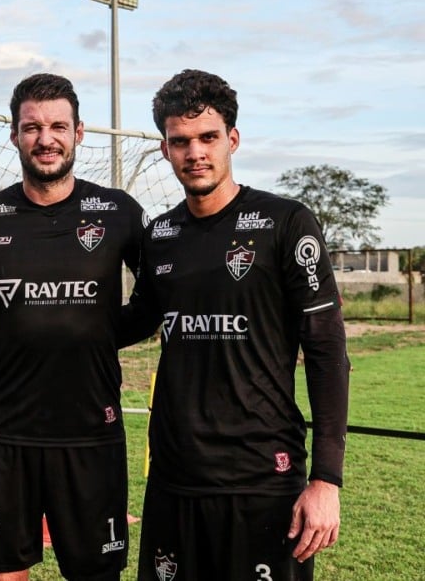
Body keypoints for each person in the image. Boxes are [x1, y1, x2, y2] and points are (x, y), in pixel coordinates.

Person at [123, 69, 350, 580]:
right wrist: (26, 325)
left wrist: (326, 480)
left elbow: (328, 352)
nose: (195, 153)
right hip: (175, 478)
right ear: (164, 149)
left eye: (208, 137)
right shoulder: (160, 235)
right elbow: (131, 322)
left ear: (233, 139)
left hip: (262, 478)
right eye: (180, 141)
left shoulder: (286, 223)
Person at [0, 73, 146, 580]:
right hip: (5, 431)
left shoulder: (118, 212)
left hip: (91, 431)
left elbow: (159, 294)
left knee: (95, 573)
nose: (45, 139)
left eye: (58, 126)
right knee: (1, 571)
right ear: (14, 135)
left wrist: (100, 332)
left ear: (79, 133)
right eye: (32, 127)